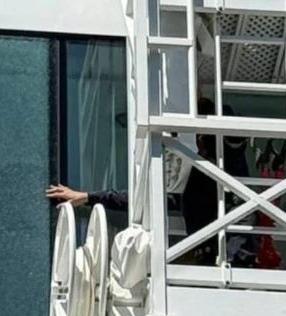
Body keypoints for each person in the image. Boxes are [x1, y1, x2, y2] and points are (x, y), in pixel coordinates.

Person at [46, 99, 256, 266]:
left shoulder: (225, 160)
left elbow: (233, 137)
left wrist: (198, 109)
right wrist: (87, 197)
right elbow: (141, 200)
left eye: (195, 137)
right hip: (217, 254)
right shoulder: (189, 184)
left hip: (234, 251)